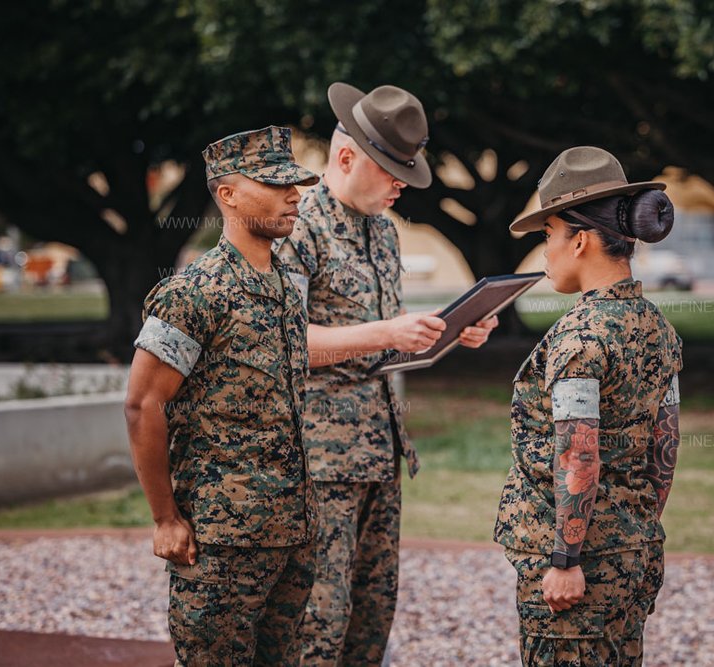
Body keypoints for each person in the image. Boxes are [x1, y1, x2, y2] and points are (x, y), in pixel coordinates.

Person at [276, 82, 498, 666]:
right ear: (346, 158)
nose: (404, 184)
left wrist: (451, 332)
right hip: (319, 463)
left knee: (372, 619)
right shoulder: (298, 228)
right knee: (316, 627)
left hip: (379, 452)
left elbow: (385, 346)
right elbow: (279, 343)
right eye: (394, 170)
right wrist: (387, 332)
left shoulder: (383, 231)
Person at [124, 125, 320, 666]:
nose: (294, 195)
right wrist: (165, 519)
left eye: (295, 184)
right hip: (222, 542)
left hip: (292, 531)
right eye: (276, 184)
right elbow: (143, 405)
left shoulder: (285, 285)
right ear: (226, 194)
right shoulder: (195, 292)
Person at [494, 146, 682, 666]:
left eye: (548, 234)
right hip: (633, 552)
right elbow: (666, 443)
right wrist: (636, 527)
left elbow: (579, 454)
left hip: (581, 570)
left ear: (579, 239)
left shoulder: (581, 336)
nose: (545, 251)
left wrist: (566, 558)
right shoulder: (656, 327)